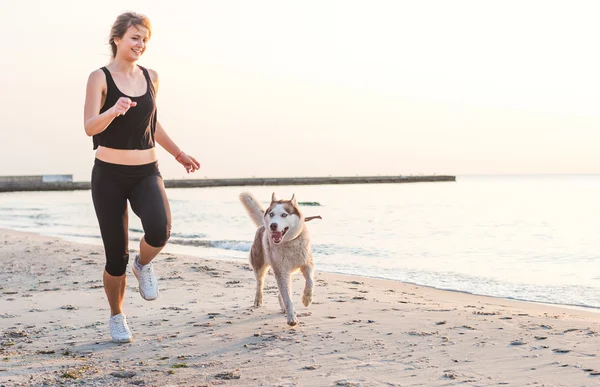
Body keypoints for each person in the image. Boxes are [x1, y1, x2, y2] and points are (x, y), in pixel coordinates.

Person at [83, 12, 200, 343]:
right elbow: (90, 126)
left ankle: (143, 264)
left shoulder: (152, 77)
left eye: (145, 39)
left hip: (147, 170)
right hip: (108, 175)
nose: (141, 44)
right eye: (135, 38)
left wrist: (179, 153)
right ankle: (117, 315)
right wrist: (113, 110)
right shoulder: (100, 77)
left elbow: (152, 123)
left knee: (160, 229)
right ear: (117, 38)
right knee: (115, 257)